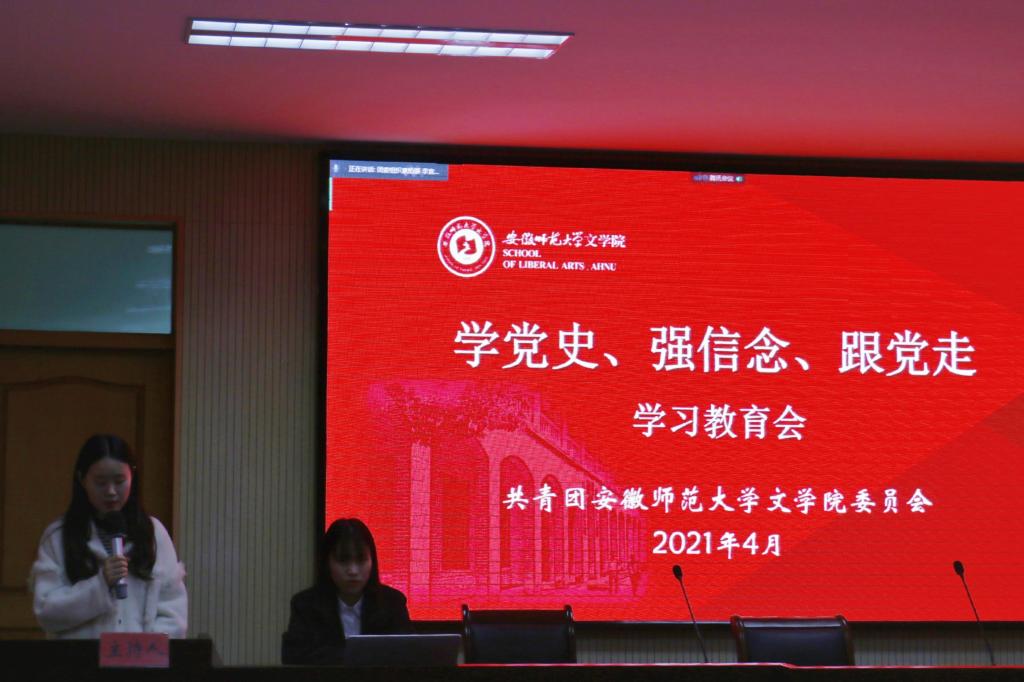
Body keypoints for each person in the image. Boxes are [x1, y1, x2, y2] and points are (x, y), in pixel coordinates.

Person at [30, 434, 187, 638]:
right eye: (100, 482)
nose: (111, 491)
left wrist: (146, 650)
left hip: (141, 655)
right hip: (80, 656)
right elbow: (46, 612)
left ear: (132, 477)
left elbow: (173, 610)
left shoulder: (153, 533)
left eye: (120, 481)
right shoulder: (59, 536)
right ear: (82, 479)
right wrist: (100, 584)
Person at [282, 518, 412, 664]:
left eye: (361, 560)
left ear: (372, 561)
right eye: (343, 560)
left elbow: (407, 658)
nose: (353, 571)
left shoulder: (392, 603)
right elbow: (294, 658)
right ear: (327, 563)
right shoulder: (305, 605)